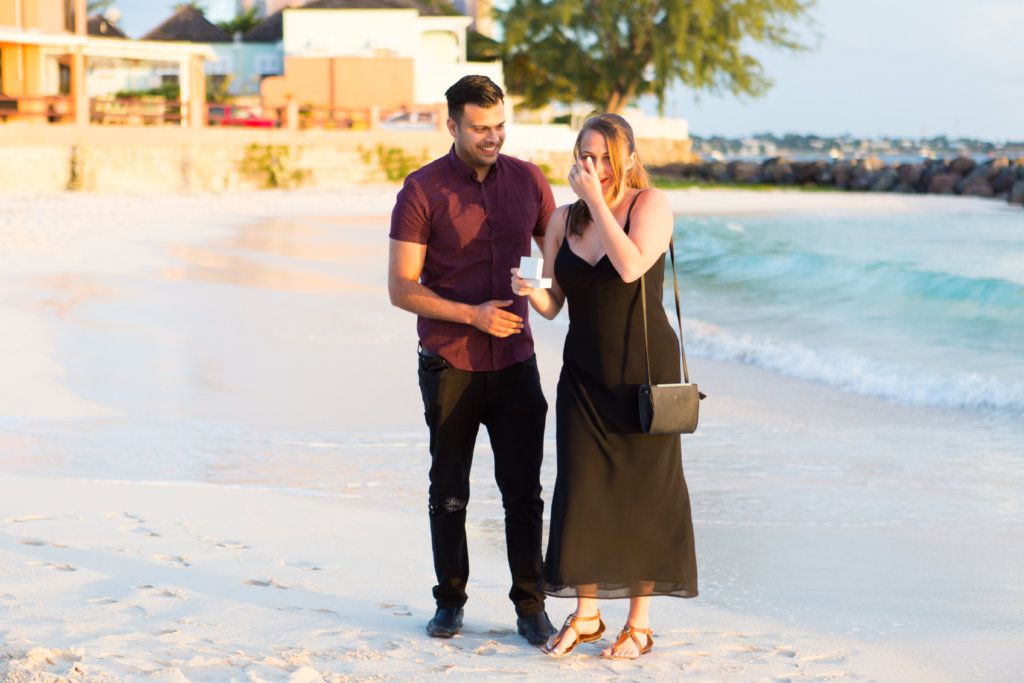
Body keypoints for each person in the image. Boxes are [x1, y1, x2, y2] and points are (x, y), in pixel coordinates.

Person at [511, 114, 698, 660]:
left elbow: (631, 264)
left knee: (645, 491)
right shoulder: (563, 218)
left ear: (628, 159)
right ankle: (587, 613)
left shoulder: (651, 205)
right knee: (580, 488)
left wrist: (597, 203)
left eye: (603, 156)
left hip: (645, 369)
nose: (591, 165)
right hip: (585, 373)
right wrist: (528, 289)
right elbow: (552, 306)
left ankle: (639, 624)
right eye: (584, 155)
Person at [388, 75, 557, 645]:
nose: (493, 137)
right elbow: (401, 288)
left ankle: (530, 608)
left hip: (516, 362)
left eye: (501, 126)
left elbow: (558, 261)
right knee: (449, 489)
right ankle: (450, 601)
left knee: (523, 493)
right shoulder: (421, 190)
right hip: (449, 362)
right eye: (481, 128)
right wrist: (473, 315)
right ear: (452, 125)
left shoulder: (530, 180)